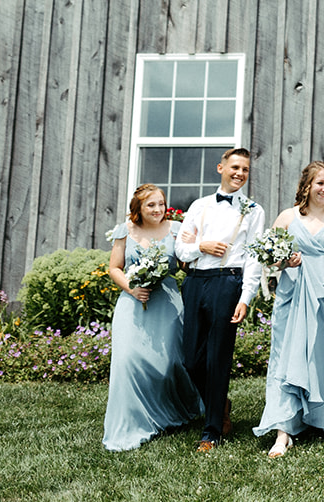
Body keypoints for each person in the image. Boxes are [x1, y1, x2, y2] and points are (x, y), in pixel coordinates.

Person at [253, 161, 324, 457]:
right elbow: (268, 255)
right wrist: (284, 260)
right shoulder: (288, 216)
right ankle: (283, 430)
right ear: (307, 186)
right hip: (295, 291)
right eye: (319, 183)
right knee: (290, 354)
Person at [175, 147, 266, 451]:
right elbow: (181, 250)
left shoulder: (253, 210)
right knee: (190, 359)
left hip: (228, 282)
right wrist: (203, 244)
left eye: (245, 170)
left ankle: (211, 430)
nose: (240, 173)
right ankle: (220, 403)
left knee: (217, 358)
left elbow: (254, 258)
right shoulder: (199, 206)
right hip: (195, 282)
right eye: (235, 167)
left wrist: (246, 297)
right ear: (220, 168)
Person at [102, 184, 201, 450]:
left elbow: (185, 264)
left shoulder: (176, 229)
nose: (158, 210)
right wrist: (132, 288)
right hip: (132, 302)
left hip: (167, 302)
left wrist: (193, 251)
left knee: (169, 363)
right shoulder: (125, 231)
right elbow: (114, 268)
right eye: (151, 205)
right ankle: (130, 423)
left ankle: (170, 413)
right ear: (139, 208)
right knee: (127, 361)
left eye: (161, 204)